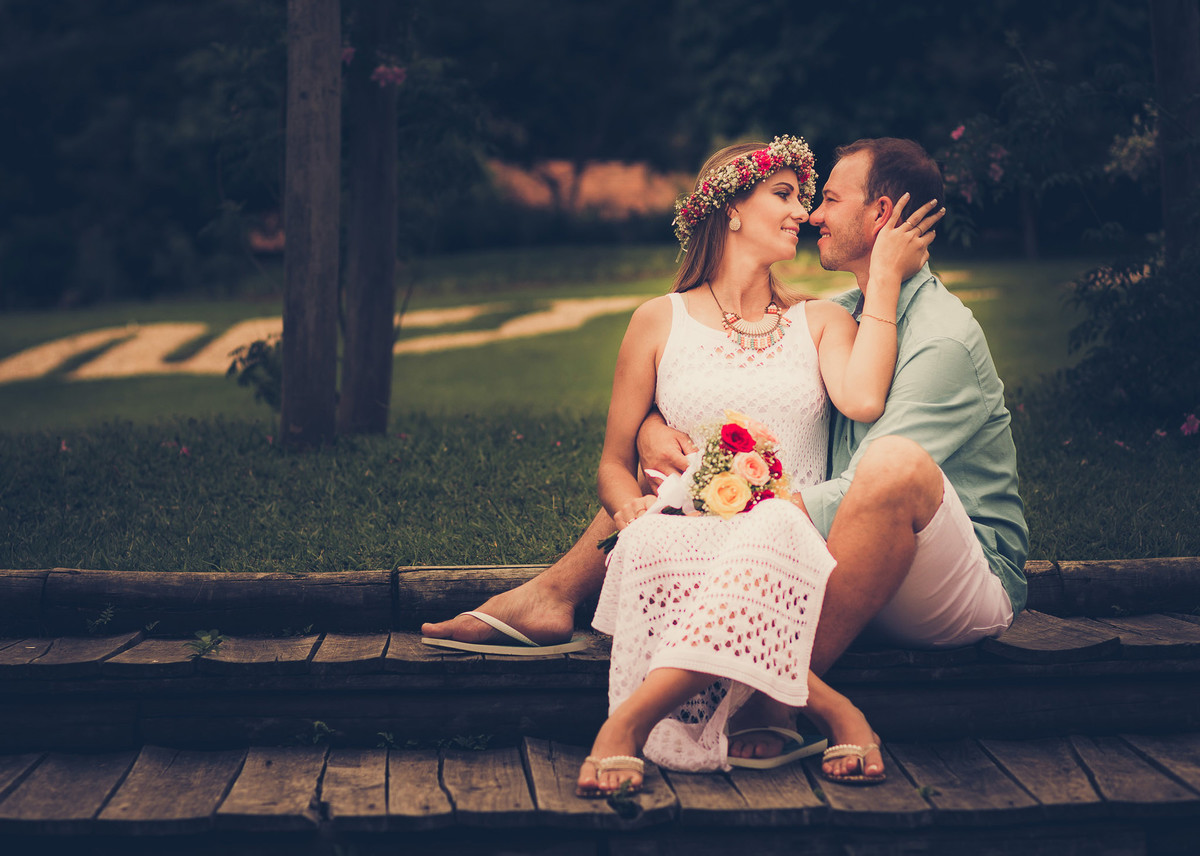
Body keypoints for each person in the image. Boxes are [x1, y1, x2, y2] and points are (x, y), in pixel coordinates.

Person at [424, 137, 1029, 788]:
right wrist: (657, 430)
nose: (811, 214)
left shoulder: (932, 336)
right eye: (794, 196)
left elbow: (865, 461)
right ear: (731, 209)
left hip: (954, 577)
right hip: (856, 555)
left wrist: (726, 492)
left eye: (823, 198)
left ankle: (703, 706)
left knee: (871, 474)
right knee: (709, 508)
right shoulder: (847, 312)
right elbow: (692, 416)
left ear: (880, 216)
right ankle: (564, 596)